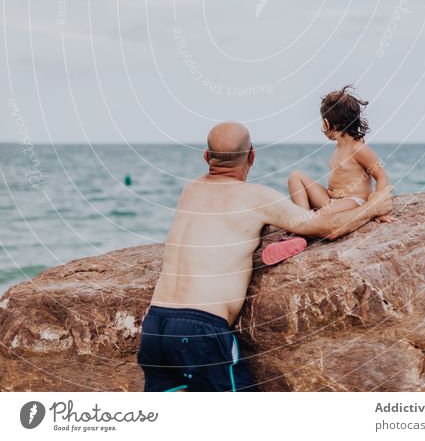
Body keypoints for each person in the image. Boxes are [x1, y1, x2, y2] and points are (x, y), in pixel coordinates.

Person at [137, 120, 393, 392]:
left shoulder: (190, 190)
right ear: (252, 156)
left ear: (206, 157)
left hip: (155, 327)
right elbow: (326, 227)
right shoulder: (256, 197)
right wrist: (373, 208)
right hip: (201, 330)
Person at [287, 85, 396, 219]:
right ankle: (303, 219)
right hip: (331, 199)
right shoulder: (339, 147)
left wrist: (378, 207)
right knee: (295, 176)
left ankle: (310, 221)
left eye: (323, 121)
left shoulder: (358, 148)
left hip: (354, 201)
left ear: (327, 123)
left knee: (322, 215)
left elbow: (381, 176)